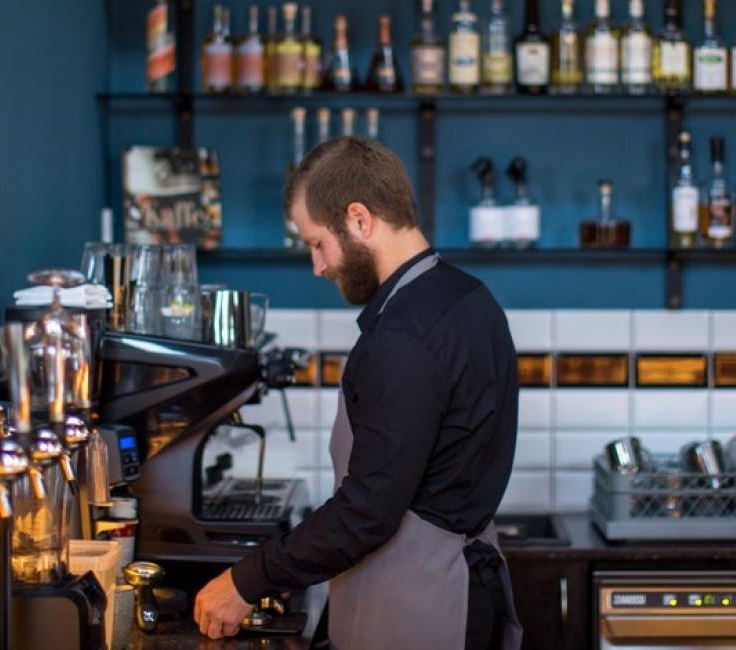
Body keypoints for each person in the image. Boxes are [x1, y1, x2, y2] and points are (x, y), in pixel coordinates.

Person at [193, 137, 523, 650]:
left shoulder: (400, 337)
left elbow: (367, 512)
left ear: (360, 219)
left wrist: (246, 582)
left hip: (417, 609)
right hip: (460, 589)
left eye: (318, 243)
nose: (317, 266)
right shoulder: (470, 299)